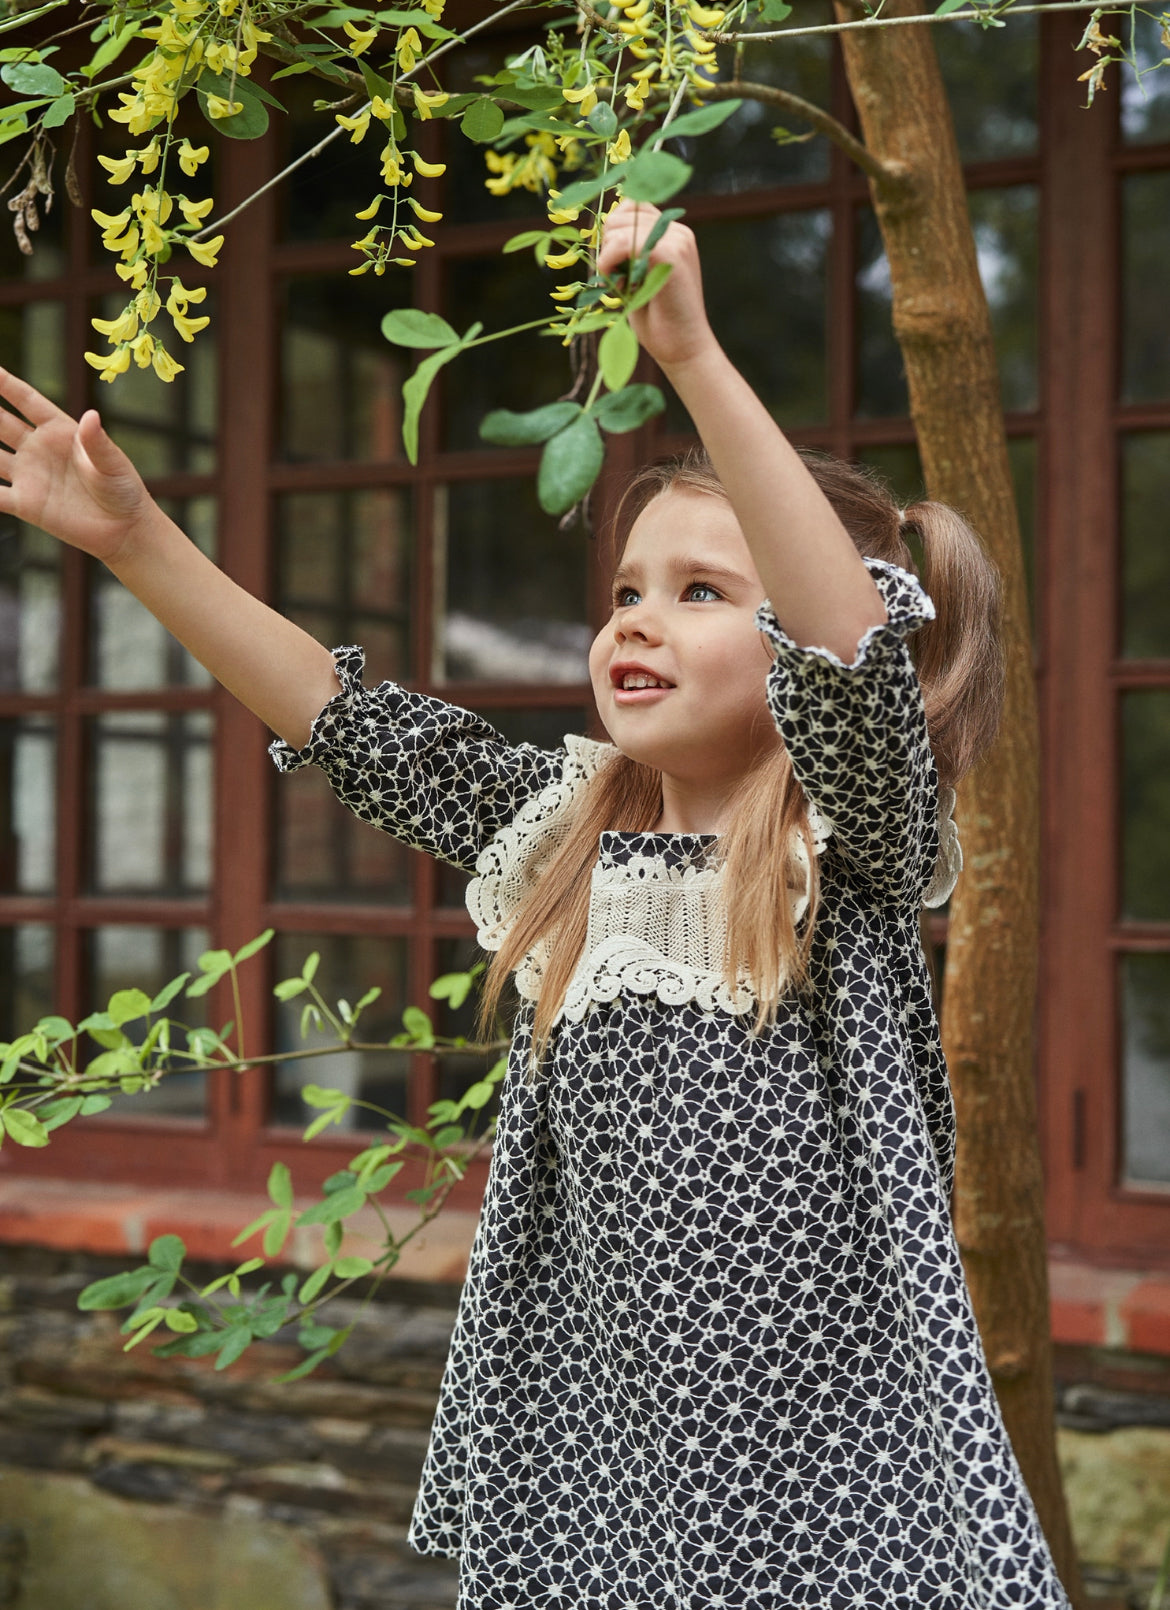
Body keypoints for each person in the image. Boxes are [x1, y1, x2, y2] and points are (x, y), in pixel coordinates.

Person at [0, 200, 1070, 1610]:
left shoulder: (845, 852)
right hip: (611, 1459)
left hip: (833, 1469)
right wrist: (137, 542)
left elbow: (841, 644)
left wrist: (687, 355)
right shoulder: (562, 837)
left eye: (699, 591)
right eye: (626, 587)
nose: (632, 618)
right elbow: (344, 719)